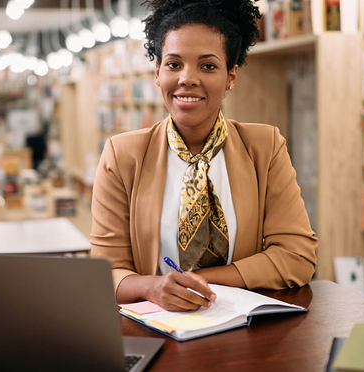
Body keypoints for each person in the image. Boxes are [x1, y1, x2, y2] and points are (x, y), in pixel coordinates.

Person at [90, 0, 318, 312]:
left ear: (231, 77)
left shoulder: (265, 147)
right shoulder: (122, 156)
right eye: (173, 64)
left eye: (208, 66)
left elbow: (298, 257)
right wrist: (155, 287)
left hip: (242, 328)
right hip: (159, 327)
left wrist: (200, 281)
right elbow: (104, 274)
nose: (187, 78)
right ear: (158, 73)